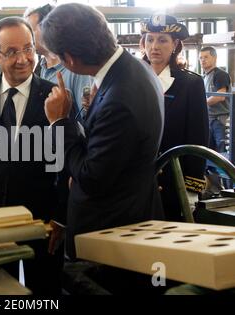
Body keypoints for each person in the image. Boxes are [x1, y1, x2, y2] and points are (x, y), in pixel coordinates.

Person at [41, 3, 165, 260]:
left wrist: (59, 121)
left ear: (70, 59)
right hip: (130, 212)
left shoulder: (118, 96)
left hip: (111, 232)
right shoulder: (134, 68)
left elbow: (91, 178)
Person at [0, 17, 65, 295]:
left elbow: (66, 163)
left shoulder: (55, 97)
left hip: (40, 220)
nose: (23, 59)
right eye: (12, 51)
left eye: (28, 49)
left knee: (45, 291)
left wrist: (61, 218)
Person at [140, 14, 209, 221]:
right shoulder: (132, 81)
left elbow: (197, 139)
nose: (155, 46)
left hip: (172, 183)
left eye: (162, 40)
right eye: (150, 39)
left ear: (175, 45)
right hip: (137, 184)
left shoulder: (190, 84)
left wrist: (190, 188)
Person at [24, 4, 92, 120]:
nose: (26, 37)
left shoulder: (75, 69)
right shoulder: (40, 68)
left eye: (30, 30)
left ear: (48, 28)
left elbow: (87, 117)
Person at [200, 46, 233, 196]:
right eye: (201, 58)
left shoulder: (220, 75)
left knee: (223, 155)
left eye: (206, 57)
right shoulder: (204, 76)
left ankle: (229, 189)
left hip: (220, 120)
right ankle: (214, 188)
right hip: (209, 119)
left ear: (214, 58)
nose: (202, 60)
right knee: (208, 154)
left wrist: (200, 102)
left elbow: (220, 96)